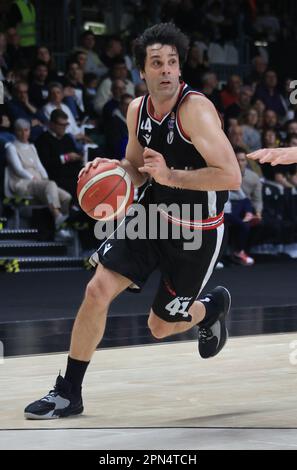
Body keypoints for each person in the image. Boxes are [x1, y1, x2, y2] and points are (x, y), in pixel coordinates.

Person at [24, 23, 241, 420]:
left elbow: (231, 175)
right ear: (141, 70)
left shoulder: (196, 110)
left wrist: (172, 175)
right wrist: (109, 171)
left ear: (180, 67)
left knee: (160, 326)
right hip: (152, 217)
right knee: (96, 290)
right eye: (156, 63)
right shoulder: (136, 110)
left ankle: (210, 309)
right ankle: (68, 392)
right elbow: (136, 167)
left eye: (172, 63)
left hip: (197, 231)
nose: (166, 71)